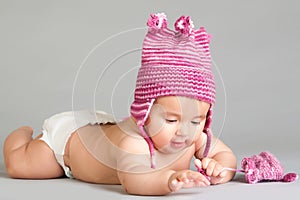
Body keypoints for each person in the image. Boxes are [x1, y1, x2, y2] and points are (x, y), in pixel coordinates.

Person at [3, 13, 237, 195]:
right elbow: (134, 180)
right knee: (22, 167)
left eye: (196, 120)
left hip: (104, 127)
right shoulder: (134, 143)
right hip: (69, 145)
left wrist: (221, 170)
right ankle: (21, 136)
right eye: (171, 119)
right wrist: (167, 181)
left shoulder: (194, 136)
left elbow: (225, 154)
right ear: (144, 113)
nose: (183, 131)